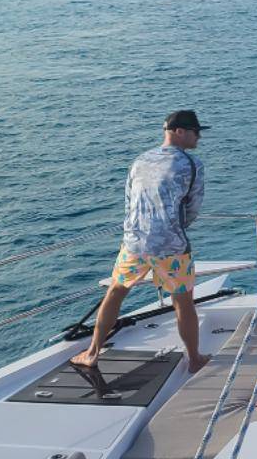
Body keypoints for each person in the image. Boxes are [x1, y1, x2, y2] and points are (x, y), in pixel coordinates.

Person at [71, 110, 211, 373]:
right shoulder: (192, 164)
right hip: (171, 245)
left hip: (134, 243)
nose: (199, 137)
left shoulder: (139, 160)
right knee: (182, 300)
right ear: (179, 131)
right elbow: (193, 208)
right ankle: (194, 358)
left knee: (115, 292)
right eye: (196, 131)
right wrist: (173, 228)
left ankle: (92, 352)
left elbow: (128, 202)